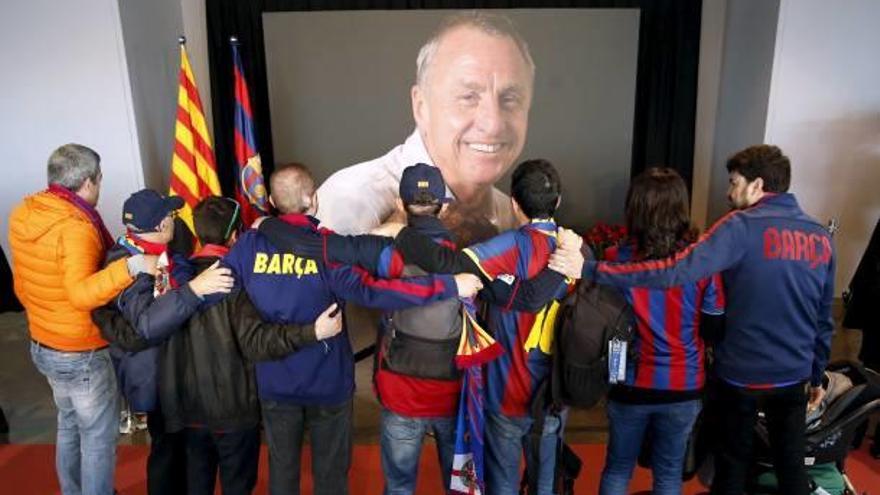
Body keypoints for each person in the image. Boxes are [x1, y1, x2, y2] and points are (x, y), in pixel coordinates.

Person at [554, 145, 835, 495]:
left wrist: (590, 269)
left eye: (734, 183)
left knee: (728, 466)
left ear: (757, 184)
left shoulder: (739, 226)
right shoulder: (820, 235)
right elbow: (824, 314)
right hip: (783, 374)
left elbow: (673, 272)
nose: (728, 193)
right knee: (789, 467)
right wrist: (817, 370)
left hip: (731, 376)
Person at [222, 163, 482, 495]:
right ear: (314, 199)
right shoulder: (330, 249)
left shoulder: (249, 246)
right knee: (331, 474)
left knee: (282, 472)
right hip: (329, 382)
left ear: (272, 199)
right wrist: (448, 286)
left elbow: (218, 284)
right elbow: (374, 291)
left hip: (275, 381)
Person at [156, 196, 343, 495]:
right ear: (234, 235)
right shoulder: (238, 280)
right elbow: (258, 342)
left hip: (186, 407)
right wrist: (312, 332)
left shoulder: (175, 279)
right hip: (233, 407)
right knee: (237, 485)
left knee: (196, 485)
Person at [8, 144, 155, 495]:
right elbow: (81, 295)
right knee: (98, 440)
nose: (101, 185)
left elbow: (22, 284)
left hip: (44, 342)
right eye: (100, 179)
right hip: (80, 352)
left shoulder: (25, 213)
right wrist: (131, 266)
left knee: (70, 425)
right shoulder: (75, 227)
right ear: (88, 182)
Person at [317, 11, 535, 246]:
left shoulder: (516, 220)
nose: (493, 124)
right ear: (421, 107)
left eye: (510, 98)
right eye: (468, 96)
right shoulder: (353, 203)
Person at [92, 189, 234, 495]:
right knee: (167, 455)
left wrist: (184, 277)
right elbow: (148, 324)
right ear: (158, 227)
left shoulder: (150, 252)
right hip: (155, 379)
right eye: (169, 215)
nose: (174, 218)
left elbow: (173, 270)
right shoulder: (130, 266)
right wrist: (194, 289)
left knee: (181, 450)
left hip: (168, 372)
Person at [596, 168, 725, 495]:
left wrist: (613, 378)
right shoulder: (701, 263)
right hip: (684, 382)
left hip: (628, 380)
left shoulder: (616, 259)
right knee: (668, 474)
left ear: (634, 208)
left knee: (617, 468)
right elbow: (713, 327)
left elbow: (606, 326)